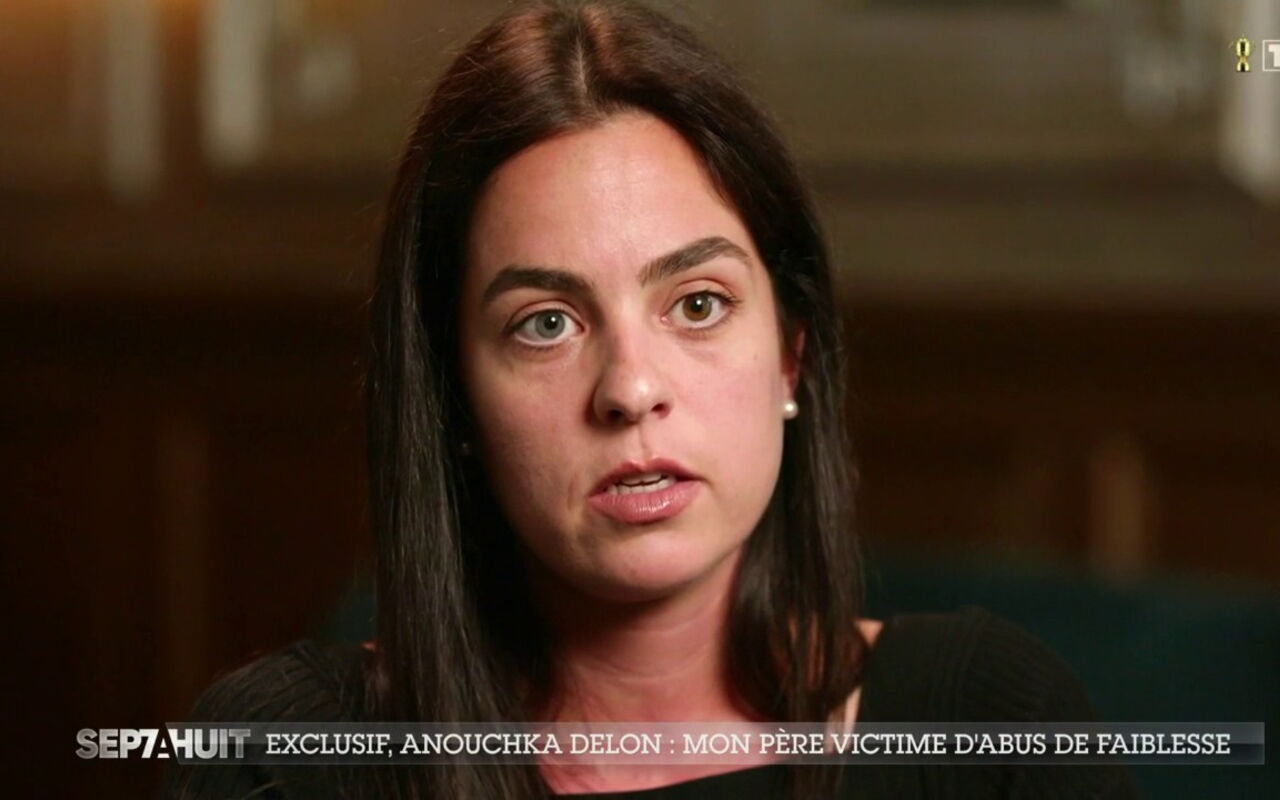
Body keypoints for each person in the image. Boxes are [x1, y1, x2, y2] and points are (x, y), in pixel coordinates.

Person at [165, 1, 1137, 798]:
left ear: (790, 357)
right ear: (454, 399)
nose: (631, 389)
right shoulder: (286, 763)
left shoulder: (989, 728)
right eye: (546, 323)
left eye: (697, 304)